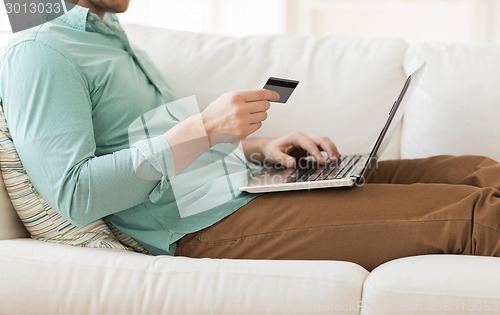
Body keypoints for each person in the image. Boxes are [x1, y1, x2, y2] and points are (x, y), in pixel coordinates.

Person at [1, 0, 499, 271]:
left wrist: (257, 148)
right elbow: (74, 194)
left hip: (244, 183)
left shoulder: (105, 35)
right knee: (475, 216)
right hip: (204, 225)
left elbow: (153, 143)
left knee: (473, 170)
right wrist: (205, 128)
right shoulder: (41, 52)